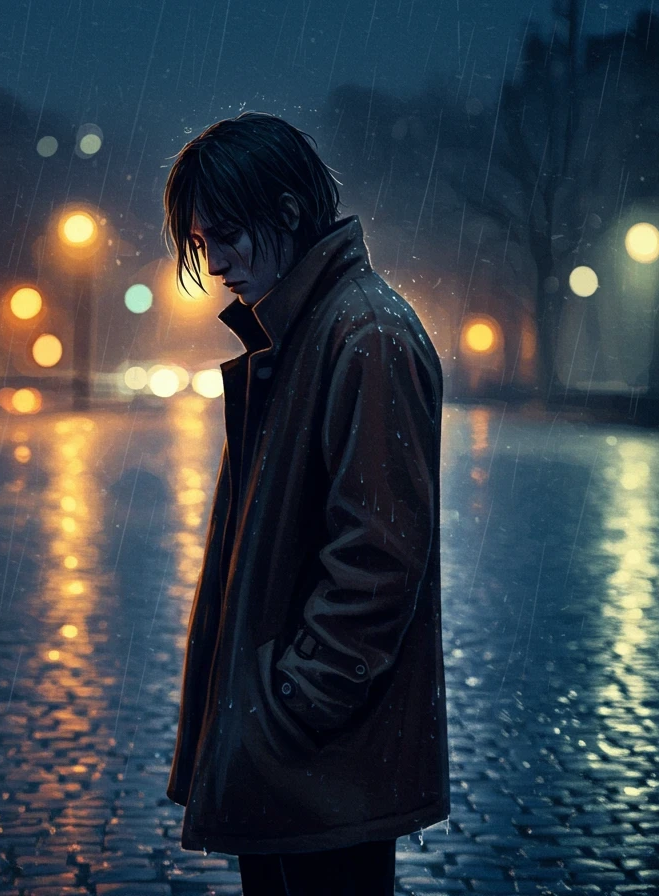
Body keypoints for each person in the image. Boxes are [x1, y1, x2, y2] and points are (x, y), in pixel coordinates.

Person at [161, 112, 449, 896]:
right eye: (201, 243)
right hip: (298, 759)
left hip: (323, 762)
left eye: (226, 236)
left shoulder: (365, 334)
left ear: (288, 213)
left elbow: (380, 557)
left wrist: (291, 703)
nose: (215, 263)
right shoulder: (309, 330)